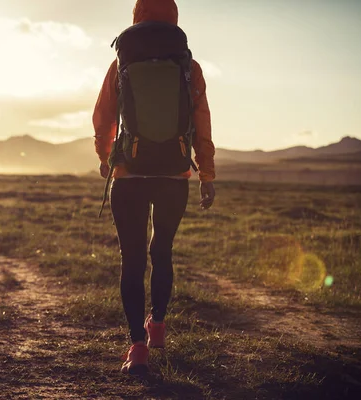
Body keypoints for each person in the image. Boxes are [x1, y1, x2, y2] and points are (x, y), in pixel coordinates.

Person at [93, 0, 216, 375]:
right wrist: (206, 174)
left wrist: (107, 157)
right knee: (162, 250)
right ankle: (158, 325)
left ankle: (137, 347)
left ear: (136, 18)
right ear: (174, 19)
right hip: (174, 175)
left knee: (132, 259)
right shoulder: (189, 68)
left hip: (129, 174)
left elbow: (103, 118)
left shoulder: (122, 63)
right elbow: (202, 122)